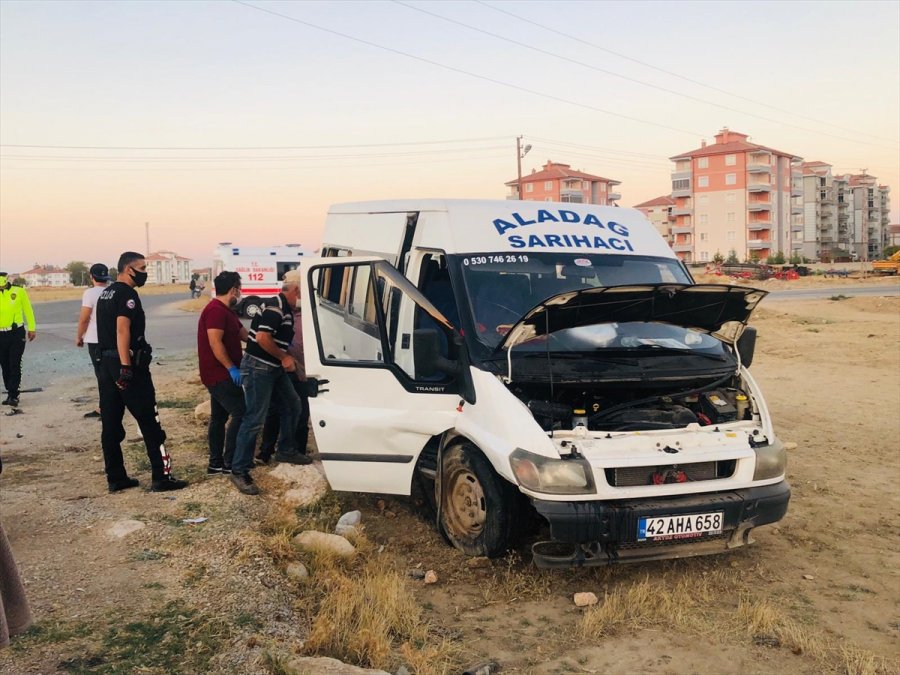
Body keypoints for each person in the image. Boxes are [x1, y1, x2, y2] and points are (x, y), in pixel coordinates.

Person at [96, 252, 187, 493]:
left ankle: (115, 477)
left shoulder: (106, 293)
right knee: (150, 422)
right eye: (142, 268)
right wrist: (126, 366)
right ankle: (161, 476)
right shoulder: (127, 294)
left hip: (105, 365)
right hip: (128, 366)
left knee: (111, 425)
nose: (145, 272)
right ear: (128, 269)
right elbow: (122, 330)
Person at [229, 278, 303, 495]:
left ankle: (287, 450)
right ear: (296, 290)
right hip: (259, 368)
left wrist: (290, 362)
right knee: (254, 418)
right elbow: (262, 338)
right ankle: (239, 470)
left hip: (272, 367)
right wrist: (283, 357)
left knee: (292, 404)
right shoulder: (276, 307)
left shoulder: (285, 309)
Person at [257, 269, 312, 466]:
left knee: (301, 411)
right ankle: (266, 451)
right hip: (282, 368)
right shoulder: (280, 310)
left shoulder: (311, 314)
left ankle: (297, 450)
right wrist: (283, 357)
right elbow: (265, 338)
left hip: (303, 370)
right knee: (275, 411)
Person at [197, 271, 248, 475]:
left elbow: (244, 335)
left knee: (218, 417)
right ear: (233, 289)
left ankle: (215, 463)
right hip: (219, 374)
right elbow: (215, 342)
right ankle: (230, 461)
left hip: (222, 373)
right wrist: (231, 368)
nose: (241, 293)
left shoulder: (228, 311)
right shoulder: (216, 311)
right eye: (239, 289)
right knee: (241, 413)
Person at [75, 263, 111, 418]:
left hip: (95, 339)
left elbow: (84, 319)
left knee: (102, 376)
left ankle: (105, 408)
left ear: (91, 276)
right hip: (113, 338)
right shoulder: (113, 291)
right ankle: (110, 406)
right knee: (111, 374)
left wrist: (79, 336)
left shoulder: (89, 293)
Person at [0, 272, 36, 408]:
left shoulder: (19, 291)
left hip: (16, 333)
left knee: (15, 362)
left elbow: (28, 310)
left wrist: (32, 328)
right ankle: (10, 392)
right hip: (0, 334)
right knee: (4, 364)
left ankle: (14, 395)